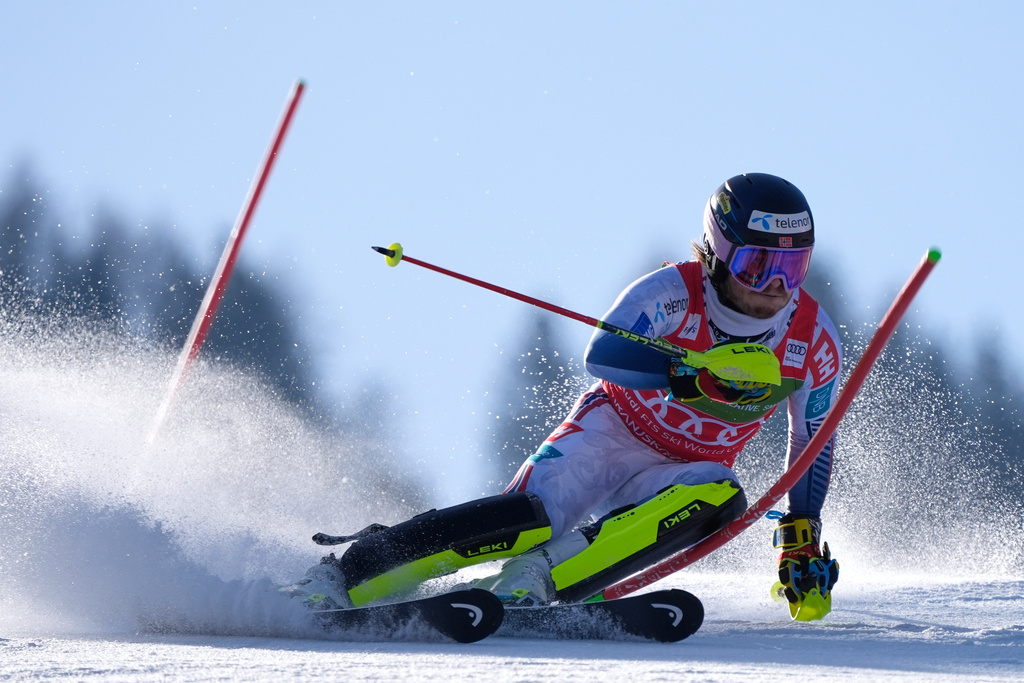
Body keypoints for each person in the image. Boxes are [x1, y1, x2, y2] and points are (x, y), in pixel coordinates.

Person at [282, 172, 841, 621]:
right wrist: (686, 377)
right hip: (610, 434)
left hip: (681, 474)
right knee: (533, 517)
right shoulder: (674, 292)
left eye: (793, 267)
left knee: (721, 496)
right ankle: (344, 574)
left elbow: (812, 438)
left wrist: (801, 537)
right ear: (720, 253)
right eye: (757, 264)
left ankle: (535, 579)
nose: (775, 286)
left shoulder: (812, 339)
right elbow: (601, 356)